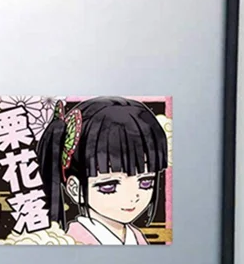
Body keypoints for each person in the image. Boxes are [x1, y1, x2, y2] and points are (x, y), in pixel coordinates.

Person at [36, 97, 168, 245]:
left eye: (145, 182)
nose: (132, 197)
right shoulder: (73, 241)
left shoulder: (136, 237)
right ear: (75, 189)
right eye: (109, 186)